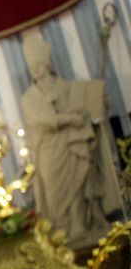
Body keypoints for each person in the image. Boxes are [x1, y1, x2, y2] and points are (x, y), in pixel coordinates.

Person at [20, 29, 119, 249]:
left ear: (46, 64)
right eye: (31, 67)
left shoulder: (66, 87)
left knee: (79, 184)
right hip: (49, 149)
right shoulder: (29, 98)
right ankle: (61, 232)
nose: (35, 70)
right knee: (55, 194)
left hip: (72, 143)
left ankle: (79, 227)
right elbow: (44, 120)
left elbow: (84, 103)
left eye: (38, 65)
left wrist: (97, 99)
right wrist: (70, 119)